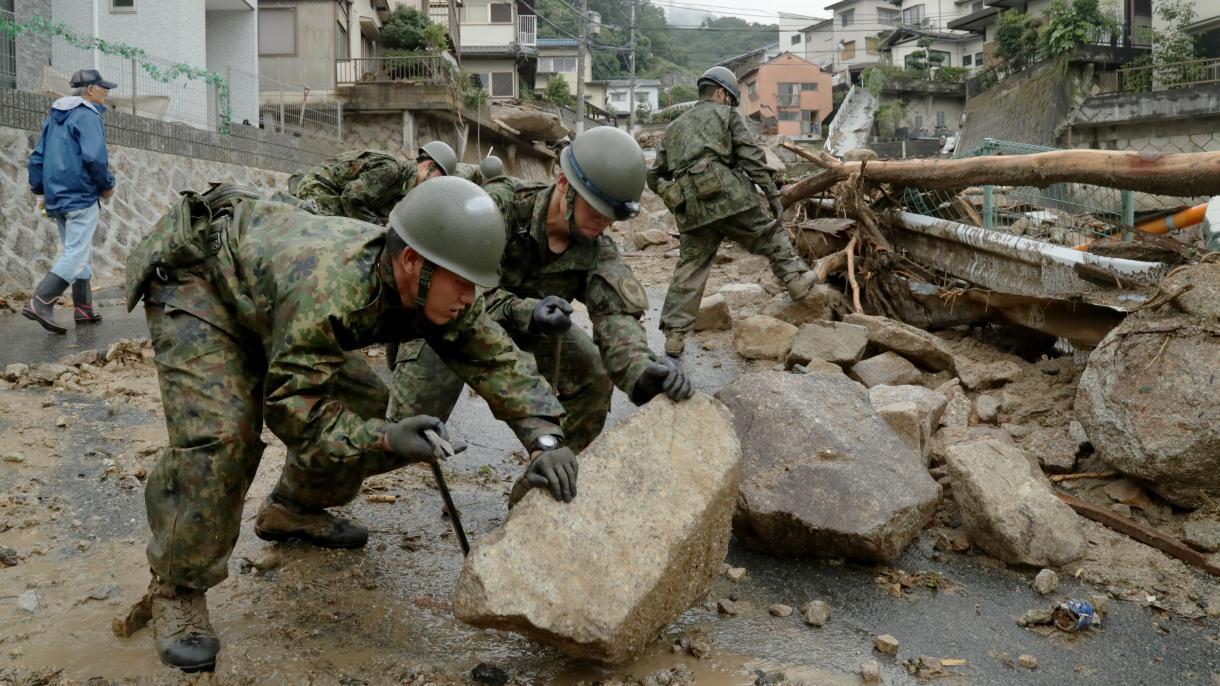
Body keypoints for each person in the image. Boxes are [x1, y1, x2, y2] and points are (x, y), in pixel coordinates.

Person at [124, 178, 576, 672]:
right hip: (202, 284)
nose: (470, 298)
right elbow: (295, 411)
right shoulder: (333, 287)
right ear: (412, 264)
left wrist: (543, 438)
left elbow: (492, 357)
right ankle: (176, 586)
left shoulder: (431, 279)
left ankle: (292, 509)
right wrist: (384, 437)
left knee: (365, 404)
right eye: (463, 284)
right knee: (220, 437)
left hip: (273, 296)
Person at [389, 127, 693, 497]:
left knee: (592, 377)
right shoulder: (498, 207)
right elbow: (458, 291)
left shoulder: (595, 247)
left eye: (611, 215)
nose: (603, 223)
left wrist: (644, 371)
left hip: (529, 327)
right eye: (596, 208)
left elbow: (615, 317)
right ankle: (302, 503)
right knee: (403, 437)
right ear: (565, 183)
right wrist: (527, 312)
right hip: (452, 321)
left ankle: (541, 488)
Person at [648, 66, 820, 358]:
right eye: (729, 97)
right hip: (729, 196)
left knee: (690, 268)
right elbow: (750, 158)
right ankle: (796, 281)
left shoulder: (673, 128)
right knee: (768, 233)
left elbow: (654, 177)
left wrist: (671, 193)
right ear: (720, 93)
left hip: (691, 208)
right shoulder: (727, 116)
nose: (729, 102)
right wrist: (772, 193)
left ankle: (674, 337)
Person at [24, 68, 118, 333]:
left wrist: (40, 189)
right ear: (90, 91)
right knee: (76, 252)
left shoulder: (53, 118)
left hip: (57, 195)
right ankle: (40, 302)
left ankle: (83, 308)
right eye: (103, 88)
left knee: (77, 249)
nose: (107, 93)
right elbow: (94, 157)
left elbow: (37, 157)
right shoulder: (88, 115)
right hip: (81, 194)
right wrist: (107, 185)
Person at [292, 140, 459, 224]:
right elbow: (351, 198)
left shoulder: (402, 188)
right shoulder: (390, 171)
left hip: (338, 194)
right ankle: (298, 207)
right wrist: (377, 227)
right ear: (428, 165)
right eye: (438, 178)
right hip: (322, 188)